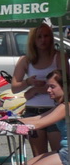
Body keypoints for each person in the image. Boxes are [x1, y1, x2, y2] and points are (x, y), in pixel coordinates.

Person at [14, 24, 60, 157]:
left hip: (55, 110)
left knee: (58, 157)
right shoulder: (26, 59)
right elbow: (15, 87)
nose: (43, 40)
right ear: (33, 40)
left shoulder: (58, 57)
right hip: (33, 111)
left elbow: (65, 84)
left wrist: (38, 90)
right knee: (39, 157)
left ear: (51, 38)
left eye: (46, 36)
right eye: (39, 37)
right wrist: (29, 84)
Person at [20, 76, 69, 165]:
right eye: (48, 87)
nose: (48, 90)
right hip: (64, 150)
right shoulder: (61, 105)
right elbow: (37, 118)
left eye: (52, 87)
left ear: (65, 87)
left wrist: (10, 127)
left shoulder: (65, 106)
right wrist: (5, 121)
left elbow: (39, 124)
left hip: (67, 154)